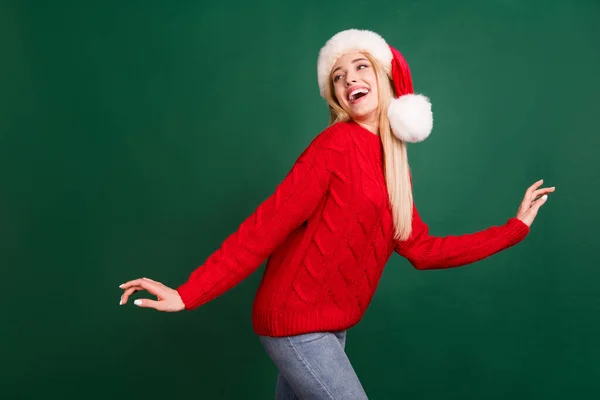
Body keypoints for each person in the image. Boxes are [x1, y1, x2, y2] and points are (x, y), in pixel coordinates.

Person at [118, 29, 554, 399]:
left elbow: (422, 249)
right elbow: (265, 227)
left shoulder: (393, 166)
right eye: (339, 76)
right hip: (294, 323)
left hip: (331, 327)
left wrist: (513, 229)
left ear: (386, 77)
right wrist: (189, 293)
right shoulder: (335, 146)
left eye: (361, 67)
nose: (350, 80)